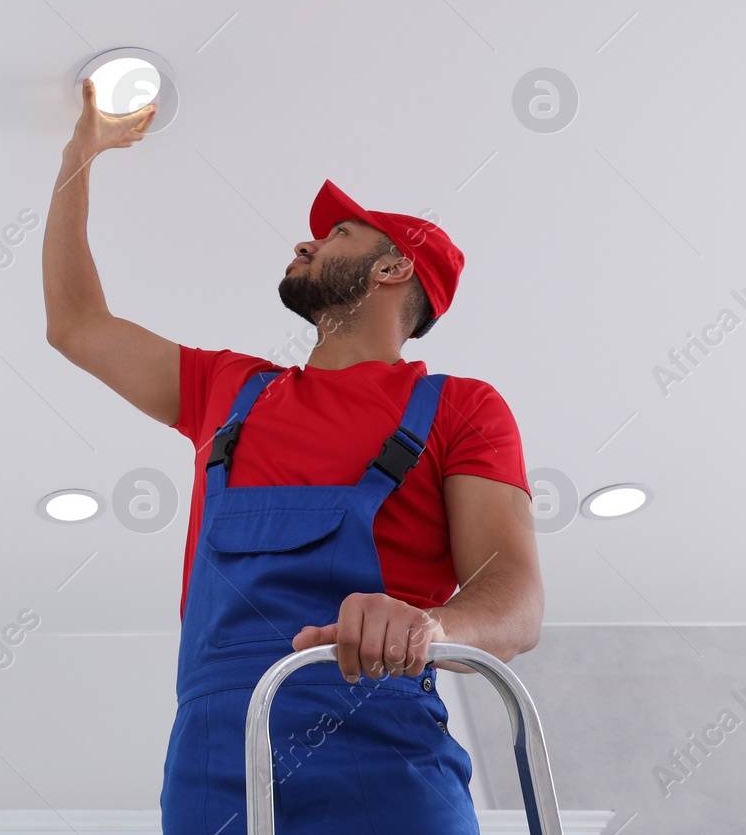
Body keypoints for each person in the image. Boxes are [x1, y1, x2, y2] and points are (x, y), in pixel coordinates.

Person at [41, 79, 544, 834]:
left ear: (393, 268)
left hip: (387, 761)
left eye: (339, 234)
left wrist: (428, 628)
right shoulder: (227, 389)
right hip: (216, 768)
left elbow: (515, 596)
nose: (306, 241)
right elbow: (76, 324)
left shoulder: (459, 407)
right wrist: (77, 156)